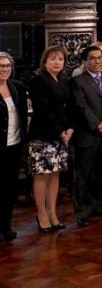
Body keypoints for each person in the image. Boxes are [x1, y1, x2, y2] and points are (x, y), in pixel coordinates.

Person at [71, 45, 102, 226]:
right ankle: (82, 211)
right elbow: (81, 107)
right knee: (84, 175)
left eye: (100, 57)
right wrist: (98, 125)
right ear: (85, 61)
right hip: (87, 135)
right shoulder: (77, 81)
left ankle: (100, 205)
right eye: (92, 58)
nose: (97, 61)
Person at [27, 47, 72, 235]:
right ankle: (42, 214)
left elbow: (69, 107)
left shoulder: (64, 80)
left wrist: (69, 129)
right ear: (45, 62)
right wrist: (60, 131)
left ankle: (53, 213)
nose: (57, 62)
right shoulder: (38, 81)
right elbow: (44, 109)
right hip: (43, 135)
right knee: (41, 175)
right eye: (52, 59)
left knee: (55, 174)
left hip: (62, 135)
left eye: (60, 59)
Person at [0, 52, 28, 239]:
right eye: (1, 66)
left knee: (10, 188)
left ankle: (6, 226)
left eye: (7, 66)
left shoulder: (17, 87)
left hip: (15, 144)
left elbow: (23, 115)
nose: (4, 69)